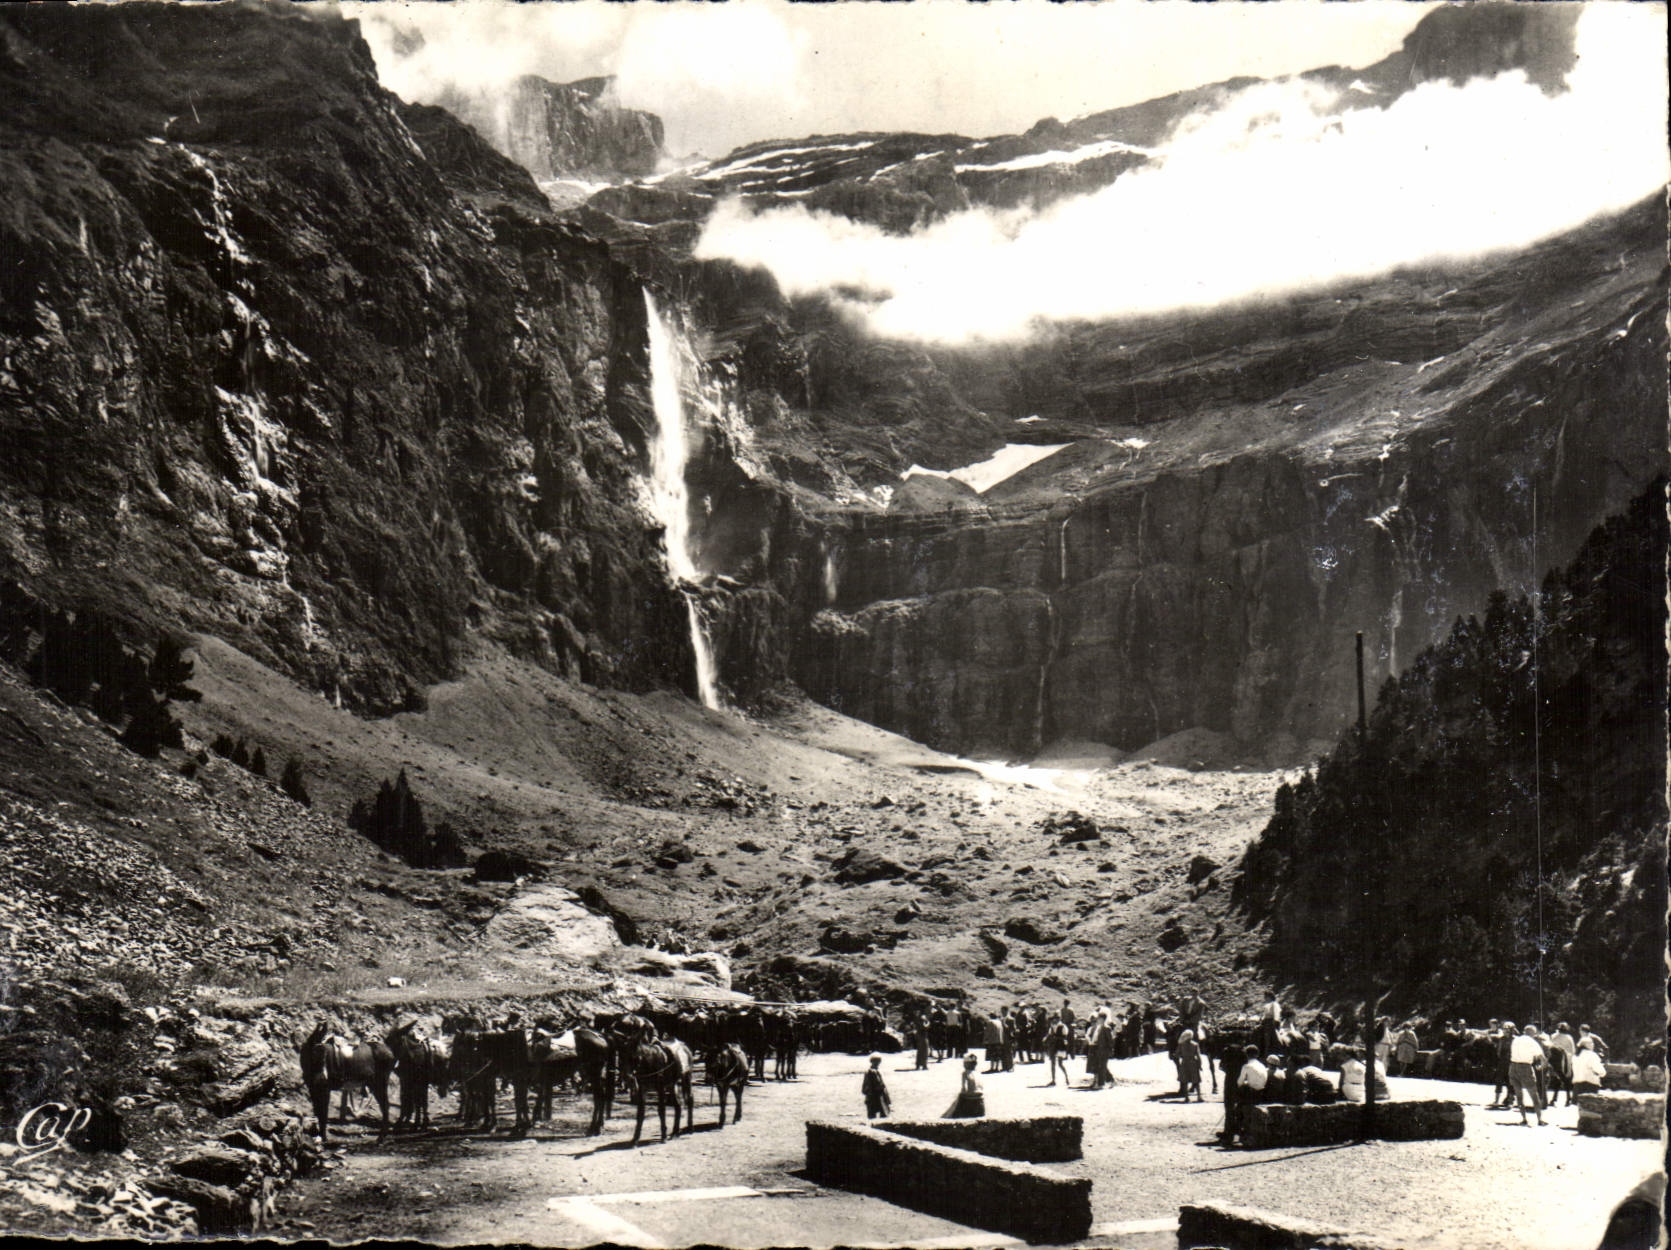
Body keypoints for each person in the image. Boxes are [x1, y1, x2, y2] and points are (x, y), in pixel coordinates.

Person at [1507, 1024, 1546, 1125]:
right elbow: (1542, 1058)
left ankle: (1524, 1119)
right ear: (1533, 1033)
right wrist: (1541, 1067)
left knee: (1519, 1095)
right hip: (1525, 1067)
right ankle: (1539, 1119)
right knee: (1534, 1094)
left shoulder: (1515, 1040)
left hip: (1513, 1067)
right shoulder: (1532, 1041)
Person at [944, 1054, 985, 1118]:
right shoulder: (978, 1073)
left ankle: (949, 1116)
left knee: (958, 1099)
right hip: (980, 1097)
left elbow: (964, 1088)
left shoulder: (965, 1073)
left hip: (970, 1097)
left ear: (967, 1064)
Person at [1175, 1029, 1203, 1102]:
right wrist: (1200, 1065)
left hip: (1184, 1062)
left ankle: (1187, 1097)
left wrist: (1181, 1055)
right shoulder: (1195, 1044)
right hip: (1193, 1062)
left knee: (1185, 1081)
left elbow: (1177, 1054)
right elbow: (1198, 1056)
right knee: (1196, 1080)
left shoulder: (1181, 1045)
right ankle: (1199, 1097)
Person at [862, 1054, 891, 1119]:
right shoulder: (872, 1072)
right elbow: (878, 1084)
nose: (878, 1064)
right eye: (877, 1062)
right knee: (881, 1112)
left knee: (873, 1113)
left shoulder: (870, 1071)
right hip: (875, 1095)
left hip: (872, 1095)